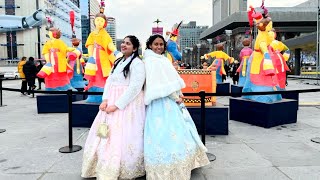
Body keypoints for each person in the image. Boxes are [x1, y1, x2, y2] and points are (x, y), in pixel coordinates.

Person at [143, 34, 209, 179]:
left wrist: (179, 94)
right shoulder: (151, 61)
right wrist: (176, 96)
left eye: (161, 44)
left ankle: (179, 162)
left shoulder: (162, 60)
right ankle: (166, 165)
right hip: (160, 102)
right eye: (156, 44)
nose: (159, 47)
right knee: (162, 132)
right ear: (150, 46)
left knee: (174, 130)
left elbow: (170, 79)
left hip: (170, 100)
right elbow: (159, 84)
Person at [82, 35, 146, 179]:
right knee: (106, 133)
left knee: (123, 134)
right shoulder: (118, 61)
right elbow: (109, 81)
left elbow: (135, 87)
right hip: (111, 101)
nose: (124, 45)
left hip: (127, 105)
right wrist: (105, 100)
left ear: (135, 48)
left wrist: (117, 105)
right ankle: (102, 164)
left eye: (128, 44)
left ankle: (123, 166)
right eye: (123, 43)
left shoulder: (137, 63)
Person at [84, 12, 116, 103]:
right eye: (97, 20)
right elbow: (90, 45)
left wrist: (115, 51)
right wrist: (91, 56)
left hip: (103, 57)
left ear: (104, 23)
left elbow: (109, 44)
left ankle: (103, 93)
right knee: (93, 74)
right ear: (94, 21)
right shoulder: (92, 34)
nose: (99, 22)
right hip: (94, 56)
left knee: (103, 74)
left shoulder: (105, 34)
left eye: (101, 21)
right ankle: (92, 92)